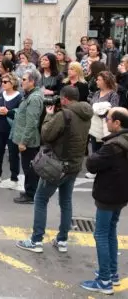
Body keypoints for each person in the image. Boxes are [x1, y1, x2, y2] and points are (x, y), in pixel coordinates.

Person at [15, 86, 92, 255]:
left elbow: (46, 135)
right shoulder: (86, 114)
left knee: (41, 199)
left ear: (64, 99)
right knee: (66, 202)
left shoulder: (64, 115)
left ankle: (36, 241)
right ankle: (62, 240)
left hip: (57, 166)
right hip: (74, 165)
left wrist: (49, 115)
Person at [80, 107, 128, 294]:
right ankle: (112, 273)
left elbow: (91, 164)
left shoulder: (113, 146)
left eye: (108, 119)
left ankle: (104, 280)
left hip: (108, 195)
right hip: (121, 194)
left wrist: (97, 151)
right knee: (110, 232)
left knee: (101, 234)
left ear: (117, 123)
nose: (105, 121)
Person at [11, 69, 45, 204]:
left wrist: (23, 141)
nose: (21, 81)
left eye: (24, 79)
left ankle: (31, 195)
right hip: (26, 139)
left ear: (32, 81)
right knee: (28, 167)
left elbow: (32, 122)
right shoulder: (30, 94)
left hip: (29, 141)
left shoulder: (35, 98)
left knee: (30, 168)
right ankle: (29, 190)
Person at [0, 73, 23, 187]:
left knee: (13, 154)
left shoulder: (19, 97)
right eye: (2, 81)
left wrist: (8, 112)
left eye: (5, 82)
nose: (2, 84)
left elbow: (21, 113)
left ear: (12, 83)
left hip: (12, 131)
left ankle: (14, 178)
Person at [87, 71, 120, 172]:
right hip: (95, 125)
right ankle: (95, 168)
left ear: (105, 81)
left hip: (106, 125)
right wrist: (99, 108)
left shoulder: (113, 94)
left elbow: (113, 109)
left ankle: (105, 168)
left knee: (105, 147)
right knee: (95, 147)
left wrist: (100, 108)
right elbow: (92, 106)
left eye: (99, 80)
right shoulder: (96, 93)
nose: (96, 81)